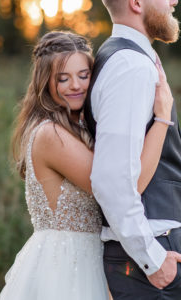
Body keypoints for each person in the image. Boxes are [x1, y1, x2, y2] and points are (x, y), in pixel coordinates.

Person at [0, 31, 173, 300]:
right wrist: (162, 120)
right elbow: (128, 187)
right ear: (45, 82)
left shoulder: (77, 129)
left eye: (83, 75)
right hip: (64, 267)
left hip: (91, 260)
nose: (75, 85)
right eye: (62, 78)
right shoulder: (50, 135)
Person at [84, 0, 181, 299]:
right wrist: (152, 260)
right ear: (136, 2)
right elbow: (111, 180)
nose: (174, 1)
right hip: (151, 260)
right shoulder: (130, 66)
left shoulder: (127, 57)